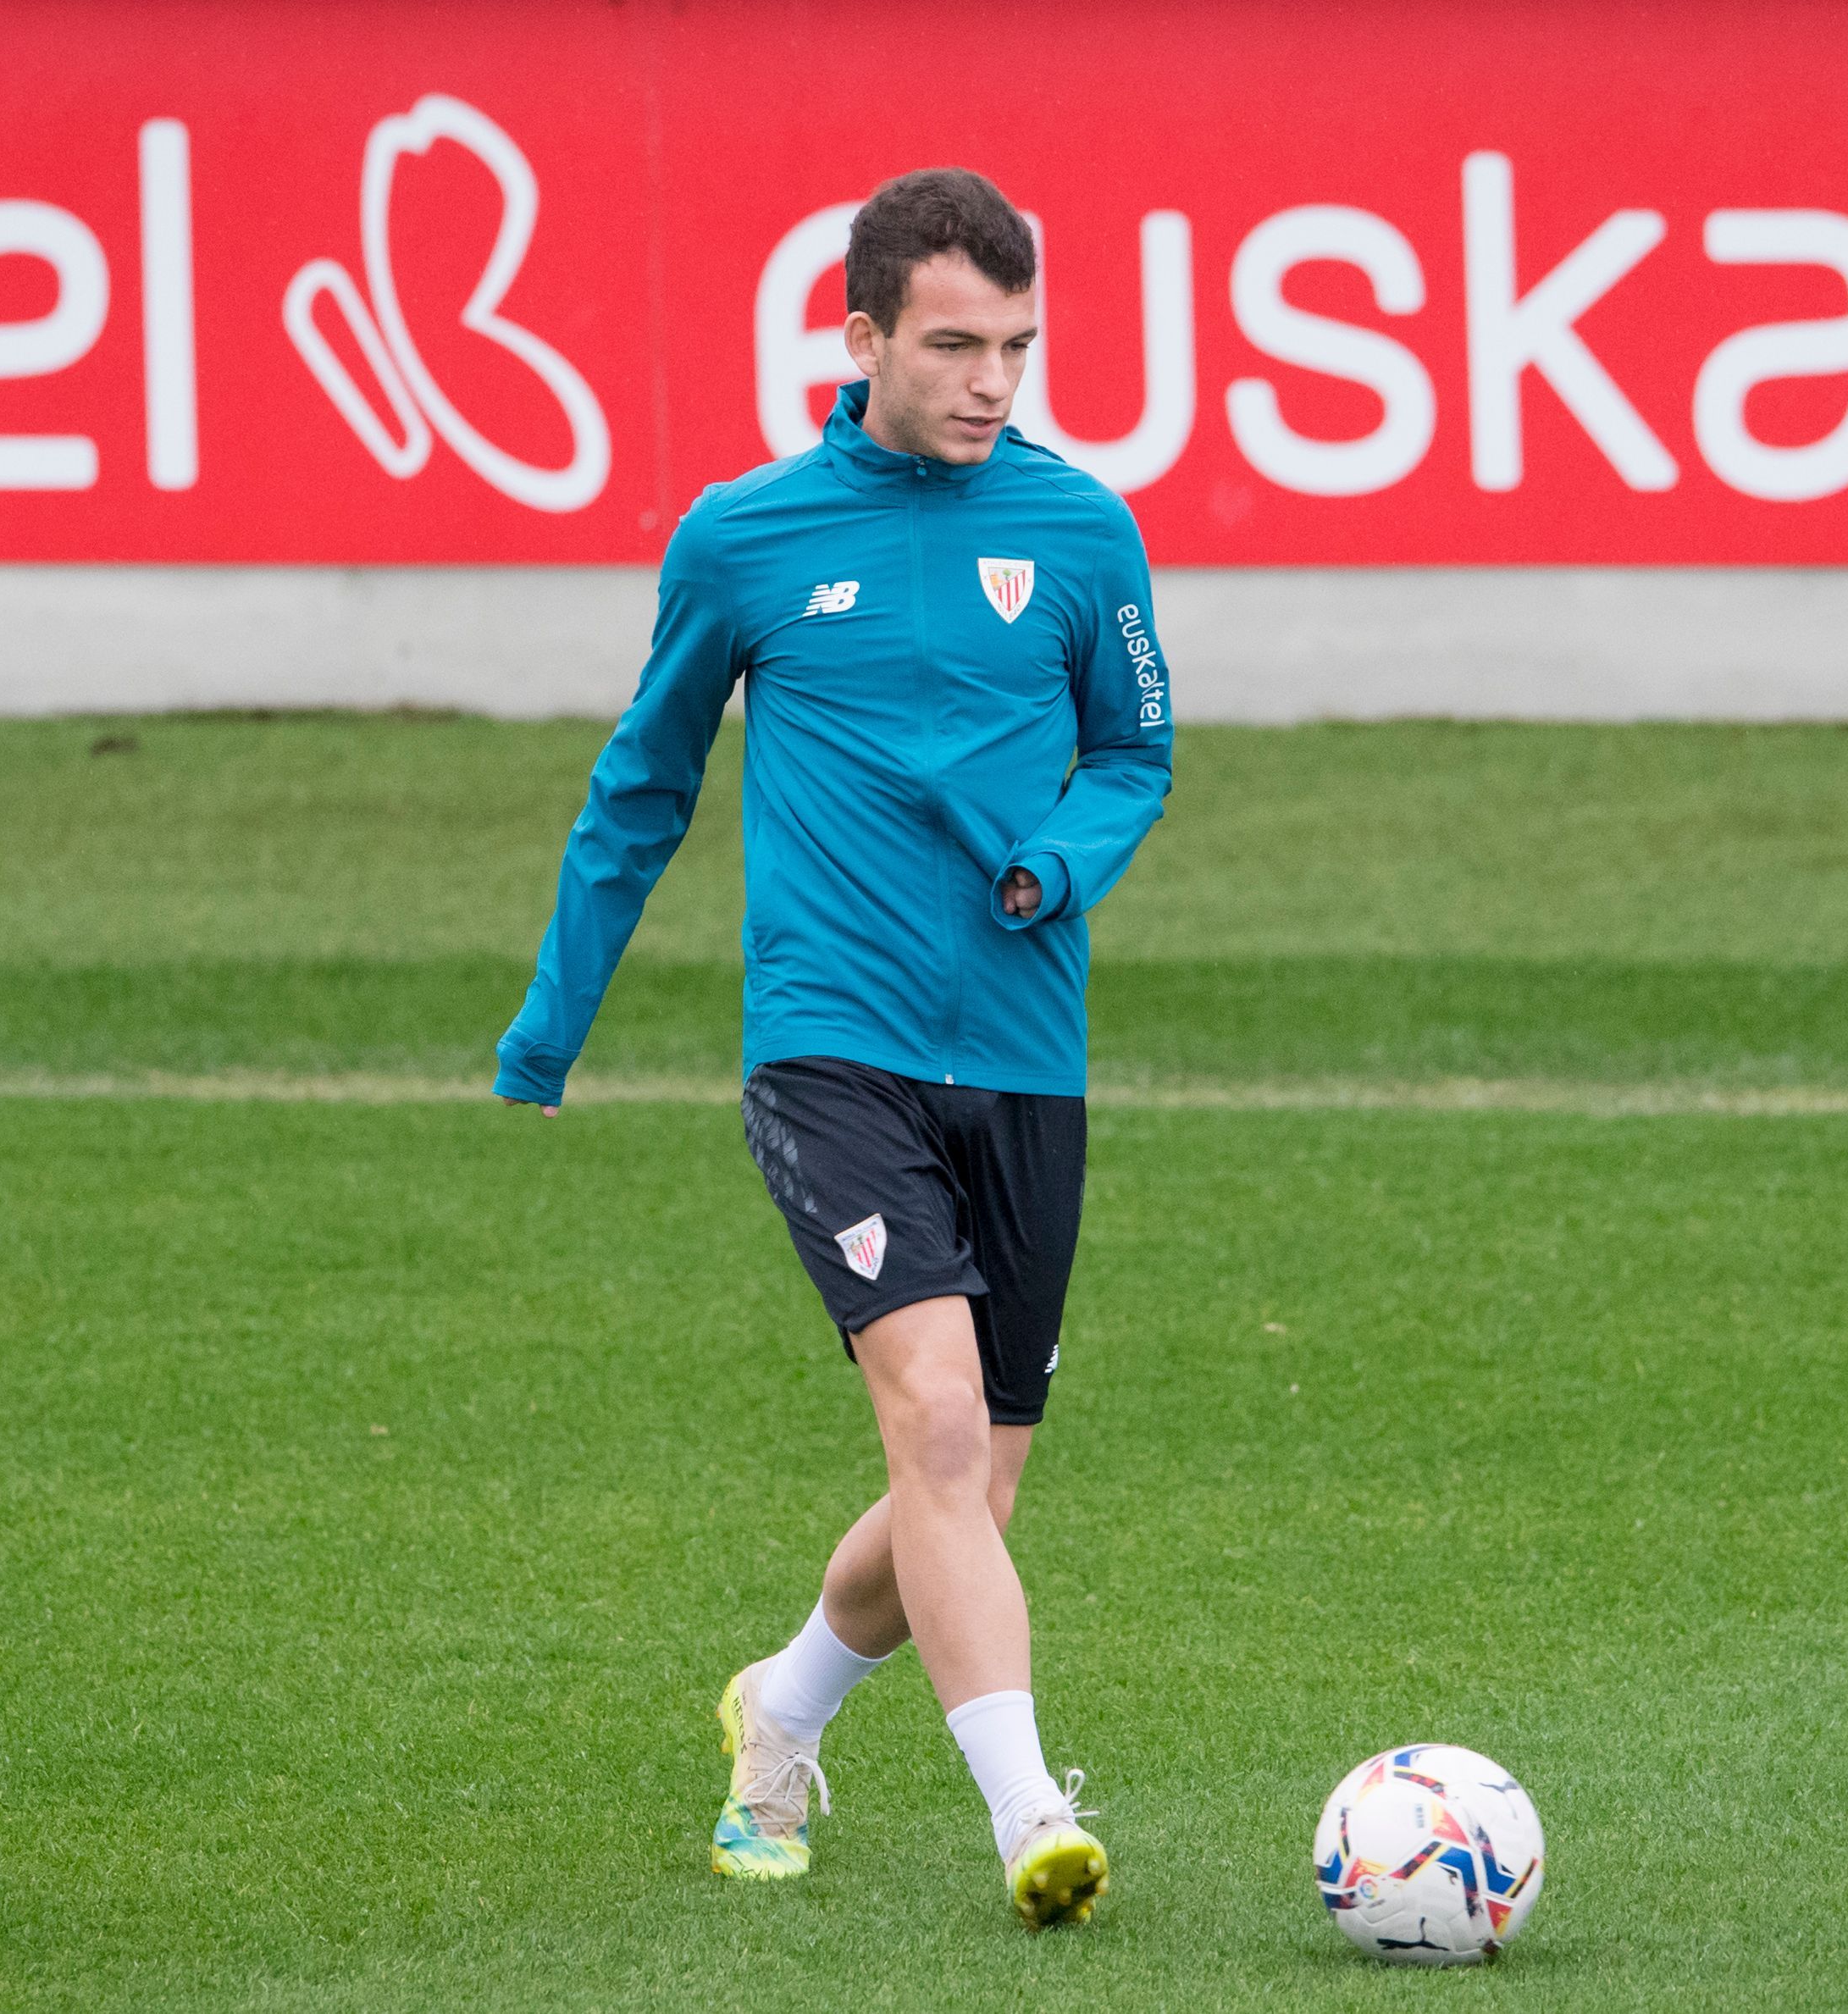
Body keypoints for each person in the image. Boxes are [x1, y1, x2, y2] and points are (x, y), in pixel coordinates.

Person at [491, 166, 1173, 1931]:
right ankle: (1031, 1815)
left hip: (1025, 1057)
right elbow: (639, 783)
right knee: (935, 1427)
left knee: (969, 1483)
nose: (992, 380)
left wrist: (1061, 861)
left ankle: (779, 1707)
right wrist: (545, 1029)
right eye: (954, 343)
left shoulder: (1084, 533)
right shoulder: (745, 539)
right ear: (860, 335)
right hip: (831, 1049)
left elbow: (1133, 758)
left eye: (1017, 344)